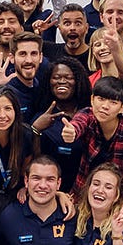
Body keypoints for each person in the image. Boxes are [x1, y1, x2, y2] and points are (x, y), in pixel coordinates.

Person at [0, 156, 77, 245]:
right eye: (36, 178)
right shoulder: (9, 216)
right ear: (26, 181)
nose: (43, 185)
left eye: (50, 179)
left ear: (58, 184)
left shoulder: (71, 217)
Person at [60, 77, 123, 198]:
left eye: (113, 102)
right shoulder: (88, 115)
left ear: (122, 107)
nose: (105, 106)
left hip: (116, 199)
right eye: (101, 99)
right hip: (81, 193)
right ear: (92, 99)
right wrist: (72, 132)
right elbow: (79, 122)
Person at [34, 56, 92, 192]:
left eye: (68, 77)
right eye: (56, 77)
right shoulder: (41, 118)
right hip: (51, 190)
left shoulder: (90, 114)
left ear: (78, 81)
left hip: (85, 189)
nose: (62, 81)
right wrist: (35, 130)